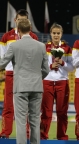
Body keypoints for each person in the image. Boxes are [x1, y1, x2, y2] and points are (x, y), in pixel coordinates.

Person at [0, 19, 49, 144]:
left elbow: (2, 64)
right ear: (30, 30)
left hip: (21, 87)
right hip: (37, 87)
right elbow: (46, 70)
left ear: (19, 30)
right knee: (34, 120)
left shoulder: (14, 45)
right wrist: (38, 78)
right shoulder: (41, 46)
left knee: (21, 121)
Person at [0, 9, 38, 139]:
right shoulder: (7, 36)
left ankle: (27, 135)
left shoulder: (33, 37)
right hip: (11, 74)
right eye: (19, 20)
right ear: (15, 20)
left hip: (26, 75)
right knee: (8, 106)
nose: (22, 22)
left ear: (28, 21)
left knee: (27, 107)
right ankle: (5, 133)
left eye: (24, 20)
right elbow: (2, 57)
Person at [40, 23, 74, 140]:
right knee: (46, 112)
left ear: (61, 34)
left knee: (62, 112)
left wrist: (62, 63)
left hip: (62, 82)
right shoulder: (44, 47)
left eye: (58, 33)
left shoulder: (67, 48)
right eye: (54, 33)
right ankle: (43, 136)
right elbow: (39, 65)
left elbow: (72, 68)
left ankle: (62, 136)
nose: (56, 35)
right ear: (50, 34)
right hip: (47, 82)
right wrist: (50, 66)